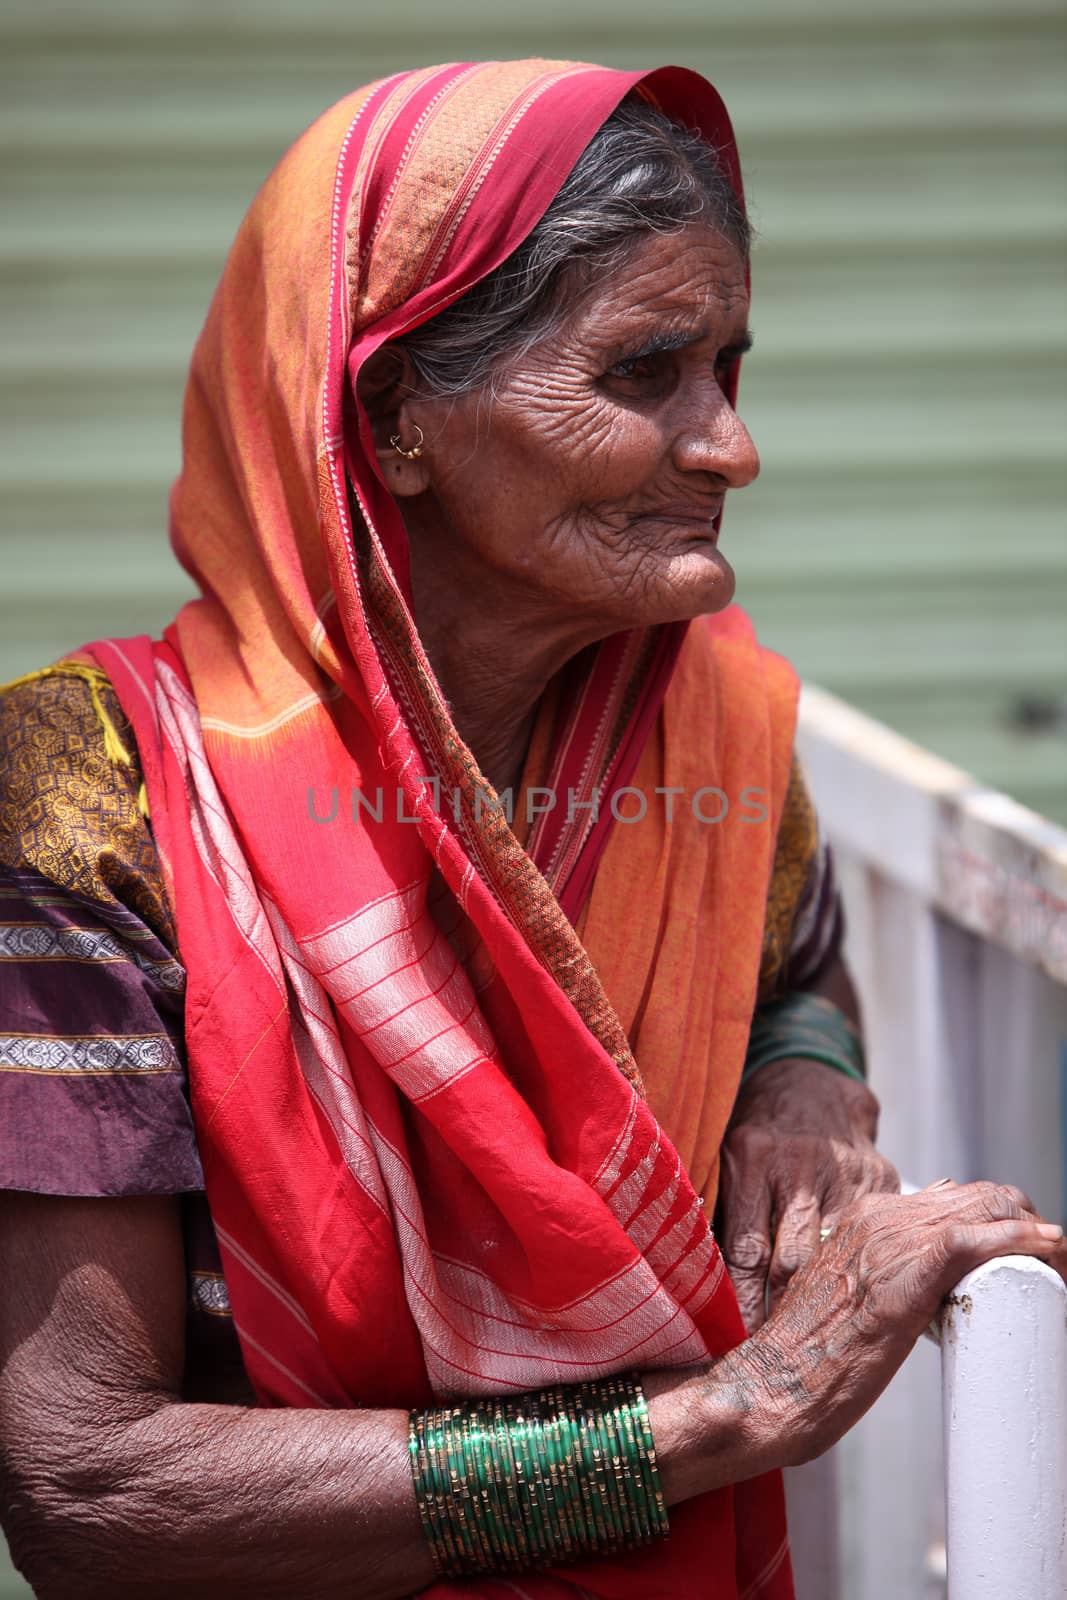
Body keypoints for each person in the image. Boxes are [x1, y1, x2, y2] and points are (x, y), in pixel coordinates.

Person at [0, 58, 1062, 1600]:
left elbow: (797, 970)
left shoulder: (716, 738)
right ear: (395, 418)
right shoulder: (90, 796)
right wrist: (727, 1416)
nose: (732, 447)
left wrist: (809, 1087)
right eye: (644, 373)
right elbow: (88, 1487)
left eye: (729, 368)